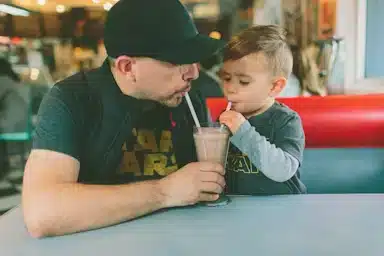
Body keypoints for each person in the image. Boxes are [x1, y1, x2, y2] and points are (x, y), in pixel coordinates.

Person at [22, 0, 225, 238]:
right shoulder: (72, 100)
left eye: (193, 59)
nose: (193, 73)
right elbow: (43, 212)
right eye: (177, 61)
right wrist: (164, 192)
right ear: (128, 67)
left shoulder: (189, 100)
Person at [218, 25, 306, 195]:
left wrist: (243, 131)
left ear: (275, 86)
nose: (230, 88)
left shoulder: (286, 121)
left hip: (283, 210)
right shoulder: (225, 118)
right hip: (238, 211)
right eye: (226, 78)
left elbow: (284, 170)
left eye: (243, 82)